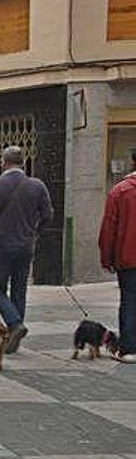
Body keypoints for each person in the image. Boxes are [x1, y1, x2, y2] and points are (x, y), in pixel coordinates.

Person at [0, 146, 54, 354]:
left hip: (1, 246)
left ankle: (14, 324)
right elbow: (48, 214)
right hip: (25, 245)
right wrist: (35, 232)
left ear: (3, 162)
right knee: (19, 289)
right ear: (23, 162)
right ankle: (15, 332)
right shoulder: (37, 186)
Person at [99, 150, 136, 363]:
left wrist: (107, 258)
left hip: (128, 257)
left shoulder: (120, 191)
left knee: (130, 300)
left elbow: (109, 228)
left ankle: (129, 348)